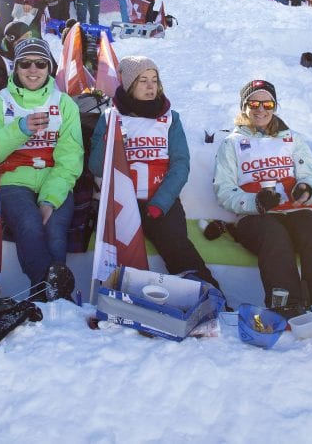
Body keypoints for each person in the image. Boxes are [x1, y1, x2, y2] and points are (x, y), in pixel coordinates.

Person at [89, 57, 220, 289]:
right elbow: (96, 166)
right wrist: (111, 136)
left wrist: (160, 203)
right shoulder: (110, 117)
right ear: (129, 84)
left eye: (154, 80)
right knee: (119, 256)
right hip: (121, 203)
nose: (151, 86)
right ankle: (120, 305)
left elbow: (181, 164)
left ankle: (210, 296)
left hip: (161, 202)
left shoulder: (170, 118)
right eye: (143, 81)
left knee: (177, 247)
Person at [213, 80, 312, 307]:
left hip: (295, 209)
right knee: (275, 238)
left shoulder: (292, 138)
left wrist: (306, 190)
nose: (261, 109)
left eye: (267, 104)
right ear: (244, 106)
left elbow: (311, 177)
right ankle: (286, 306)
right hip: (255, 216)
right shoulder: (232, 144)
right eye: (254, 103)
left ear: (274, 106)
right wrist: (256, 202)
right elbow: (224, 190)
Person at [0, 38, 84, 291]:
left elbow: (70, 156)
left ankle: (49, 293)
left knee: (55, 230)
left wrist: (49, 199)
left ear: (50, 68)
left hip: (54, 180)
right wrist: (20, 129)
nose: (33, 70)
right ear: (15, 68)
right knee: (29, 224)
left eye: (40, 63)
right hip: (12, 180)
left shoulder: (65, 104)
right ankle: (51, 292)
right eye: (25, 63)